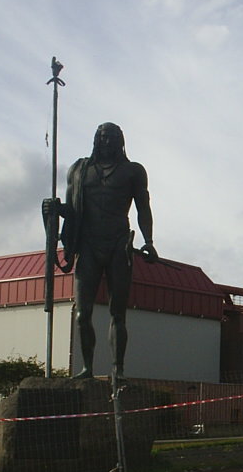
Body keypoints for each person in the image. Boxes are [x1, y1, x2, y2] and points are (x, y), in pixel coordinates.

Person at [42, 123, 157, 380]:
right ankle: (87, 368)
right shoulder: (80, 170)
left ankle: (118, 369)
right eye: (103, 137)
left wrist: (149, 241)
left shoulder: (133, 171)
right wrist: (54, 210)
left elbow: (143, 208)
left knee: (118, 313)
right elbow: (72, 210)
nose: (107, 142)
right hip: (88, 246)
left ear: (121, 141)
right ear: (96, 139)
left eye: (113, 137)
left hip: (119, 245)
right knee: (83, 314)